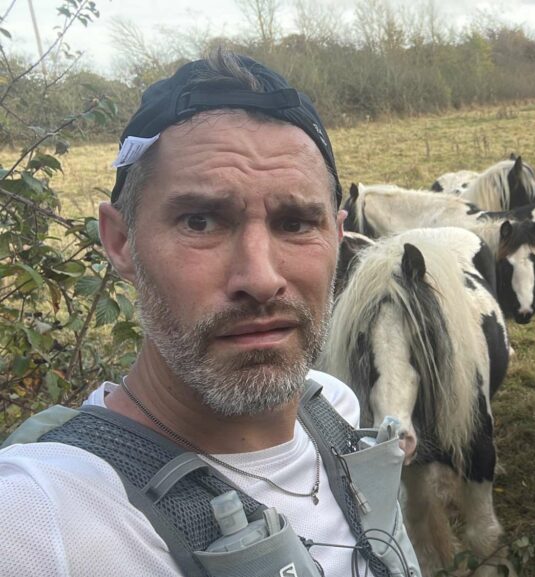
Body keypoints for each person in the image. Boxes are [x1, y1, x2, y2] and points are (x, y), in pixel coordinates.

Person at [0, 50, 416, 576]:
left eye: (295, 223)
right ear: (121, 241)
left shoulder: (332, 408)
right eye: (200, 222)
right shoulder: (36, 523)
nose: (261, 278)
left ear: (337, 235)